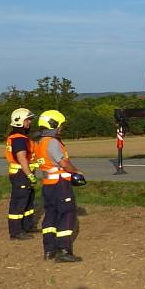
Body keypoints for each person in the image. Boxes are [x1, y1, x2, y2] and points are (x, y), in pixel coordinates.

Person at [34, 109, 85, 262]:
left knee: (51, 215)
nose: (61, 128)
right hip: (60, 185)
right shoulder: (52, 142)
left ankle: (49, 250)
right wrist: (77, 171)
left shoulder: (39, 142)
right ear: (53, 125)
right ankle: (64, 250)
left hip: (48, 185)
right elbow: (63, 163)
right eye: (60, 125)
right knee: (67, 213)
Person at [5, 108, 38, 239]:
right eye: (27, 120)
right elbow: (21, 158)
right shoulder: (19, 139)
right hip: (21, 174)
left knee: (28, 200)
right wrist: (29, 174)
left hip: (22, 173)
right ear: (20, 121)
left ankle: (27, 226)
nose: (29, 122)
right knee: (19, 202)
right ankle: (16, 231)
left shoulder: (20, 137)